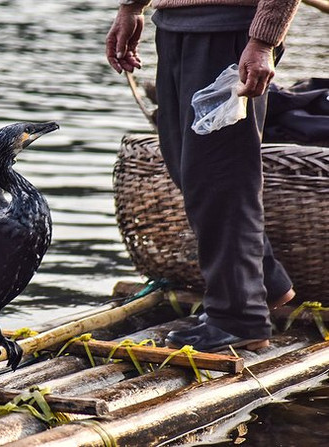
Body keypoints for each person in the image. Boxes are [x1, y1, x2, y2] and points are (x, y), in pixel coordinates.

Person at [106, 0, 300, 352]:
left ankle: (240, 317)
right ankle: (265, 282)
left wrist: (262, 41)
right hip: (175, 26)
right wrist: (131, 7)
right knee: (187, 166)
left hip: (229, 32)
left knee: (220, 174)